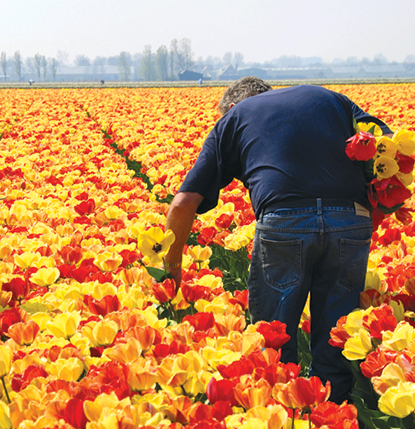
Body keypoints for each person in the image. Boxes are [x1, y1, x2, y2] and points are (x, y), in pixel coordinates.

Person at [164, 77, 390, 403]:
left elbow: (182, 204)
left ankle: (285, 424)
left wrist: (171, 267)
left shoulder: (236, 118)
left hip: (286, 221)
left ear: (231, 107)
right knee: (337, 333)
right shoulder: (329, 99)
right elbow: (387, 145)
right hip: (350, 219)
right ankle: (335, 428)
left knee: (274, 334)